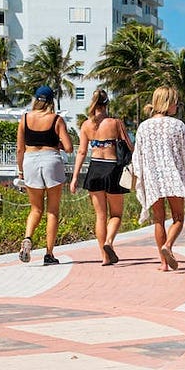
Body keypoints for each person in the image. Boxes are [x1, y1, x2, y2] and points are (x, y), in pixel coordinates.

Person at [130, 86, 185, 272]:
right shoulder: (178, 125)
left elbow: (137, 157)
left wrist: (140, 179)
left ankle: (163, 264)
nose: (177, 105)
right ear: (167, 103)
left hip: (153, 177)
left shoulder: (143, 127)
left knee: (158, 220)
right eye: (175, 102)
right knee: (178, 217)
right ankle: (168, 246)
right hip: (173, 176)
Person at [68, 89, 133, 265]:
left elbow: (81, 152)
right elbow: (129, 146)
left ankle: (104, 258)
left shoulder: (86, 125)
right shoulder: (115, 123)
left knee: (100, 216)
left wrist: (74, 178)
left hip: (94, 169)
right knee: (117, 215)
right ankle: (109, 242)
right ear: (106, 104)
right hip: (112, 169)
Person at [15, 85, 73, 265]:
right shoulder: (56, 119)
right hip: (51, 160)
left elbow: (19, 149)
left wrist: (21, 171)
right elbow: (70, 147)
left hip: (30, 161)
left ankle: (27, 237)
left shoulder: (24, 119)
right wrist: (58, 144)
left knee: (35, 209)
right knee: (52, 210)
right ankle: (49, 254)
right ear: (51, 101)